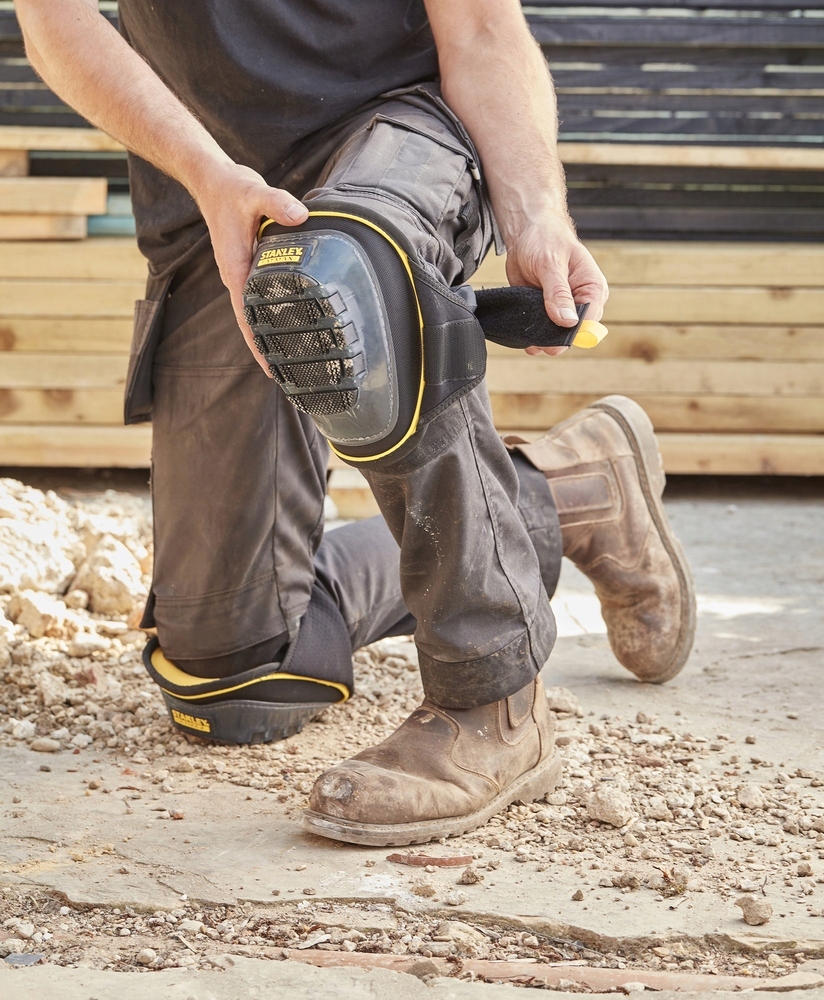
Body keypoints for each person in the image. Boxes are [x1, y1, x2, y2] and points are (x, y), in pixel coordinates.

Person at [17, 0, 695, 847]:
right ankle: (568, 491)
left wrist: (535, 214)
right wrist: (207, 172)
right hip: (212, 180)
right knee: (235, 677)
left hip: (396, 141)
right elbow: (56, 24)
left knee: (355, 270)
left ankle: (492, 696)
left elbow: (483, 30)